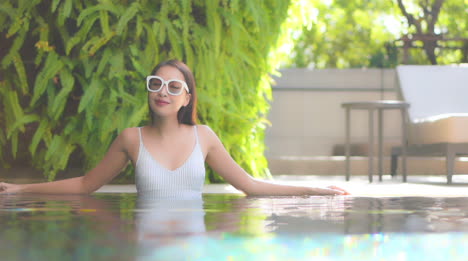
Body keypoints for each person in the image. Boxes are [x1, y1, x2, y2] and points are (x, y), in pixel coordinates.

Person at [0, 59, 349, 197]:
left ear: (186, 99)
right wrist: (18, 191)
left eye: (174, 87)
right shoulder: (131, 139)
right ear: (149, 90)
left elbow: (251, 186)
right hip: (146, 247)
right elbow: (86, 184)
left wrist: (316, 192)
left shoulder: (204, 137)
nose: (163, 92)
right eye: (156, 84)